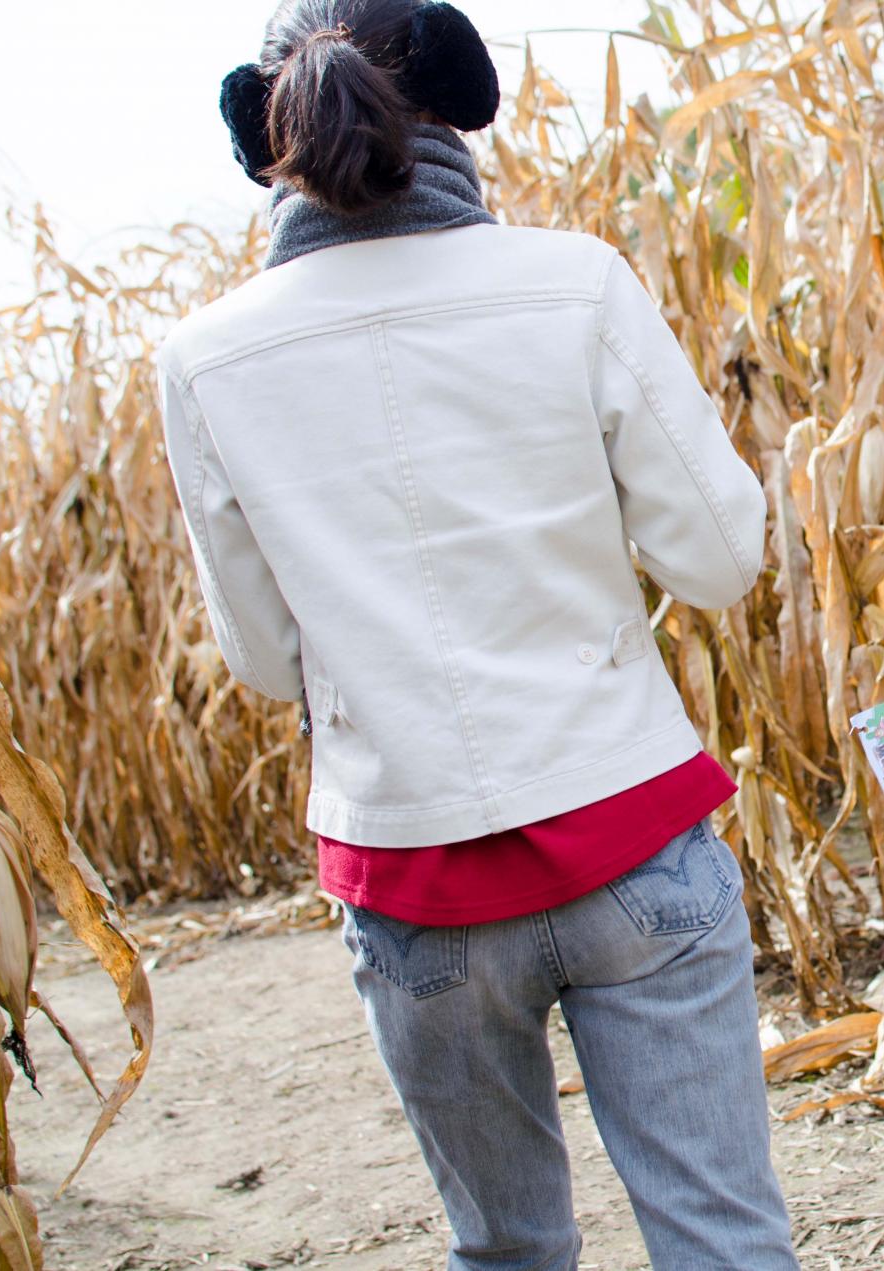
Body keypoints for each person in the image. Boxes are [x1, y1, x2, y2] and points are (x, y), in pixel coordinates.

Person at [155, 3, 798, 1267]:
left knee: (506, 1251)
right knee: (723, 1238)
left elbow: (266, 659)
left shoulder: (205, 358)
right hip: (631, 834)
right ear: (454, 98)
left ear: (266, 138)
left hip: (413, 887)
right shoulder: (573, 281)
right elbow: (722, 562)